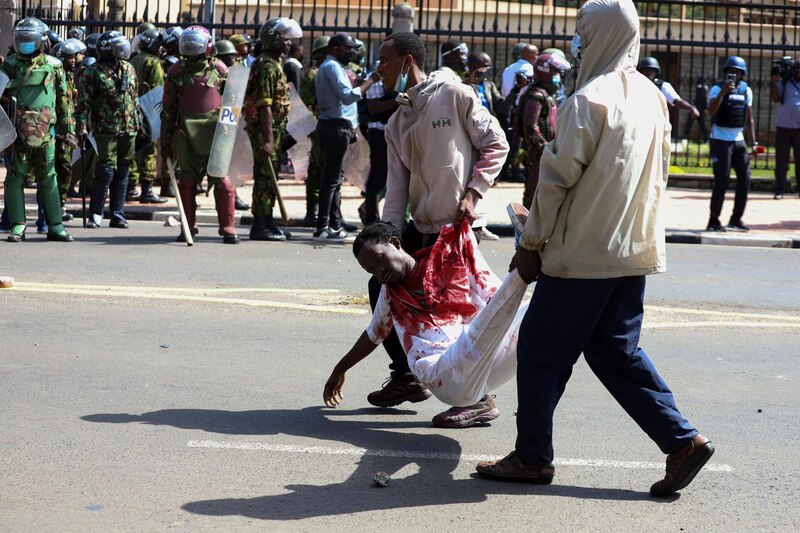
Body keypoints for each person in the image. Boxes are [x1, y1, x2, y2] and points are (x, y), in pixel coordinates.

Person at [476, 0, 715, 498]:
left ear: (599, 36)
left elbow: (556, 183)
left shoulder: (589, 99)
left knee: (541, 350)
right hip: (634, 250)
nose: (576, 44)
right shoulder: (651, 96)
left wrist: (532, 243)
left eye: (581, 34)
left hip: (582, 254)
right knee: (615, 351)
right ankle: (682, 441)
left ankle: (532, 456)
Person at [366, 31, 509, 426]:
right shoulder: (398, 120)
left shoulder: (455, 94)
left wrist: (474, 193)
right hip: (421, 226)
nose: (379, 68)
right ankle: (410, 375)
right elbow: (396, 187)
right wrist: (388, 237)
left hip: (457, 227)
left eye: (385, 60)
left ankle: (480, 398)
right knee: (383, 286)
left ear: (408, 62)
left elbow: (496, 144)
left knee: (457, 314)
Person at [324, 220, 530, 427]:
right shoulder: (389, 293)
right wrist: (339, 370)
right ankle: (477, 403)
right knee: (467, 345)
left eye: (379, 260)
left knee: (528, 313)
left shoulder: (449, 260)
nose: (379, 272)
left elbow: (494, 294)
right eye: (371, 271)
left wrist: (521, 268)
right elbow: (373, 335)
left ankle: (531, 248)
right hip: (445, 380)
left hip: (491, 355)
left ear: (395, 243)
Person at [161, 25, 239, 244]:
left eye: (195, 45)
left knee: (223, 182)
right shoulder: (176, 72)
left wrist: (229, 132)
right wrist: (166, 140)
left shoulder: (221, 70)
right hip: (185, 133)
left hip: (216, 133)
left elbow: (233, 104)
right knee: (186, 181)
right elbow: (168, 109)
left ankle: (228, 227)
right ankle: (189, 226)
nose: (191, 49)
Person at [2, 17, 75, 242]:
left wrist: (68, 130)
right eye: (21, 39)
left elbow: (64, 100)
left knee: (49, 178)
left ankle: (55, 226)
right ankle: (18, 226)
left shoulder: (54, 66)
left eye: (29, 39)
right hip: (18, 133)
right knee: (15, 178)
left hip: (48, 133)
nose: (25, 43)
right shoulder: (10, 65)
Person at [313, 32, 376, 242]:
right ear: (335, 48)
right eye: (348, 48)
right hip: (335, 128)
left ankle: (333, 225)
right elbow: (348, 97)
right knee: (331, 180)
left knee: (335, 179)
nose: (351, 52)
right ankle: (322, 227)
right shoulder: (331, 66)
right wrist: (371, 81)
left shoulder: (332, 67)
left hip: (335, 127)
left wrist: (359, 82)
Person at [243, 17, 302, 241]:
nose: (290, 44)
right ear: (273, 39)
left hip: (276, 130)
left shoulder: (275, 64)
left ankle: (268, 221)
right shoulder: (266, 66)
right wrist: (268, 138)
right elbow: (264, 105)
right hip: (265, 131)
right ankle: (259, 224)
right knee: (265, 178)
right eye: (285, 39)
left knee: (271, 176)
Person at [77, 30, 139, 230]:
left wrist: (138, 122)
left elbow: (134, 96)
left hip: (128, 128)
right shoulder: (93, 72)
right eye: (118, 48)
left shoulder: (129, 68)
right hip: (106, 128)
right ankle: (96, 213)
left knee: (123, 171)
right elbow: (83, 103)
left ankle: (118, 214)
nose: (122, 51)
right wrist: (82, 126)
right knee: (105, 171)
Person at [706, 56, 756, 232]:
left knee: (745, 178)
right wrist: (723, 93)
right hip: (720, 139)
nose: (733, 74)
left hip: (738, 140)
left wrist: (754, 142)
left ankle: (736, 219)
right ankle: (713, 221)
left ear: (742, 74)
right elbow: (711, 111)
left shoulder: (746, 90)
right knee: (722, 179)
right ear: (725, 72)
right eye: (730, 71)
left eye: (736, 71)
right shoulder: (717, 88)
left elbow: (749, 119)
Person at [516, 53, 569, 209]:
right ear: (546, 72)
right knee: (535, 188)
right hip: (539, 153)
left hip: (548, 152)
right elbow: (530, 127)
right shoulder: (536, 96)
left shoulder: (548, 95)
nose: (558, 77)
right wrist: (545, 148)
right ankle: (528, 224)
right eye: (556, 73)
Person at [129, 28, 167, 205]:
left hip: (132, 110)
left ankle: (130, 188)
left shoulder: (134, 58)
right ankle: (147, 190)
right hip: (149, 111)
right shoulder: (153, 62)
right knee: (149, 151)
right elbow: (158, 89)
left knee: (133, 149)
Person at [52, 38, 86, 221]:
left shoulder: (71, 77)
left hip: (67, 130)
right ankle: (53, 207)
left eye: (74, 57)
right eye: (69, 57)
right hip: (55, 130)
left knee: (65, 168)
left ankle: (61, 204)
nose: (73, 60)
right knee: (55, 169)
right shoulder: (55, 76)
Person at [299, 35, 329, 226]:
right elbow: (308, 104)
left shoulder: (322, 72)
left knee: (321, 169)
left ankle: (317, 211)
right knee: (321, 170)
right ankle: (313, 212)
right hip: (318, 126)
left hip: (321, 125)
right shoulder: (315, 74)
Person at [361, 77, 398, 224]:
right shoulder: (376, 82)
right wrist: (397, 100)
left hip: (392, 132)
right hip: (378, 133)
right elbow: (374, 108)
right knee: (377, 177)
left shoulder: (398, 80)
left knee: (387, 177)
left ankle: (372, 213)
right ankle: (372, 218)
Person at [637, 57, 700, 129]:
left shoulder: (662, 86)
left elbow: (676, 101)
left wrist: (691, 108)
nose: (649, 73)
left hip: (655, 122)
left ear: (656, 72)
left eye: (652, 70)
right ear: (641, 71)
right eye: (647, 70)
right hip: (638, 120)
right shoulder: (635, 84)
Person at [771, 59, 800, 199]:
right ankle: (780, 189)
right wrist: (775, 81)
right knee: (781, 160)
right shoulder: (784, 82)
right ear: (793, 70)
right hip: (784, 126)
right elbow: (776, 99)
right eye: (798, 69)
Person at [465, 51, 503, 117]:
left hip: (486, 123)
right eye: (486, 66)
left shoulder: (489, 85)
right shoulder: (462, 85)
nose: (488, 69)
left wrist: (515, 90)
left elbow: (502, 106)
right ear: (475, 66)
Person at [683, 76, 709, 142]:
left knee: (691, 122)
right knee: (700, 124)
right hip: (700, 108)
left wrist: (705, 107)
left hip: (698, 108)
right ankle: (706, 138)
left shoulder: (701, 87)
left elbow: (703, 99)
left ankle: (685, 135)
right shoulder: (704, 87)